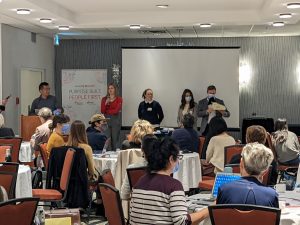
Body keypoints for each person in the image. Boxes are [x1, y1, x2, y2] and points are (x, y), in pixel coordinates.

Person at [130, 137, 209, 225]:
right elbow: (183, 222)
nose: (179, 161)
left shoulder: (140, 181)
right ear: (171, 159)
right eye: (178, 157)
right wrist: (208, 210)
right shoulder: (173, 186)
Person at [217, 143, 279, 208]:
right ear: (265, 172)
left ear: (241, 164)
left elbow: (218, 216)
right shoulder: (272, 195)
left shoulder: (224, 190)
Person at [120, 134, 156, 200]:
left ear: (142, 149)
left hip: (138, 208)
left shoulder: (132, 169)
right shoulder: (166, 169)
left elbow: (124, 195)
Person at [101, 83, 122, 151]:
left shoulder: (119, 99)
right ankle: (107, 153)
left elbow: (116, 111)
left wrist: (108, 111)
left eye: (112, 88)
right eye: (109, 88)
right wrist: (106, 104)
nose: (110, 90)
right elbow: (102, 111)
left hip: (115, 121)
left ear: (115, 89)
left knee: (115, 139)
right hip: (106, 121)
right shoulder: (104, 99)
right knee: (107, 138)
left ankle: (115, 154)